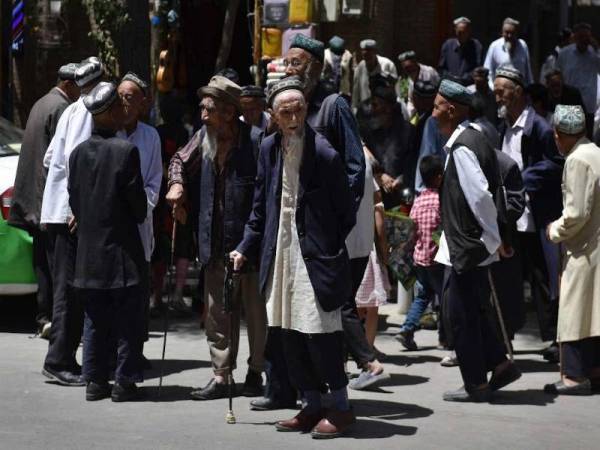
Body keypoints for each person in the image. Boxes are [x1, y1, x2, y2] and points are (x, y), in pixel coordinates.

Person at [231, 80, 357, 439]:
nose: (293, 116)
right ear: (273, 114)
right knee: (286, 333)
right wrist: (245, 246)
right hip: (280, 250)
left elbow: (345, 212)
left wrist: (326, 245)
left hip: (315, 257)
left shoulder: (325, 153)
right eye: (285, 111)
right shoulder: (269, 148)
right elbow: (259, 208)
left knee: (321, 333)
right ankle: (311, 404)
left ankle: (341, 407)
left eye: (299, 109)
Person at [248, 34, 366, 412]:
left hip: (317, 243)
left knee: (319, 324)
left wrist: (328, 231)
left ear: (315, 68)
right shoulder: (273, 136)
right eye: (288, 62)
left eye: (297, 62)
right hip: (283, 242)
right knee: (283, 321)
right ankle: (294, 395)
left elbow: (352, 172)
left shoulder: (332, 108)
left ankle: (335, 403)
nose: (290, 67)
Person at [166, 76, 267, 400]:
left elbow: (267, 194)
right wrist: (177, 184)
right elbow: (179, 160)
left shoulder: (256, 142)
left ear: (227, 112)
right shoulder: (203, 138)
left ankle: (256, 372)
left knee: (256, 316)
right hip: (214, 242)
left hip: (250, 245)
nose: (202, 113)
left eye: (208, 108)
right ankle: (222, 376)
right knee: (218, 313)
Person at [432, 79, 521, 402]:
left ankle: (476, 383)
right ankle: (499, 365)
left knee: (460, 316)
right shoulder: (473, 139)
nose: (433, 113)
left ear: (452, 111)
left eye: (437, 107)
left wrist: (491, 239)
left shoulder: (463, 147)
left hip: (468, 248)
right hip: (470, 245)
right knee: (472, 310)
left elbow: (481, 198)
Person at [68, 81, 148, 402]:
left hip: (88, 254)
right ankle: (124, 382)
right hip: (122, 254)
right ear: (112, 111)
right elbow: (138, 208)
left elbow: (74, 201)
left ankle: (95, 381)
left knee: (95, 318)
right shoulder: (125, 151)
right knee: (128, 319)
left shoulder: (77, 154)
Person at [39, 57, 104, 387]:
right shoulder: (84, 114)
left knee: (66, 288)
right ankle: (59, 360)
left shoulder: (71, 111)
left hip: (59, 211)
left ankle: (63, 357)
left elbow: (51, 159)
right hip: (69, 215)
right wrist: (76, 206)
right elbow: (78, 161)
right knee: (67, 290)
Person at [494, 65, 564, 362]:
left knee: (543, 277)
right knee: (510, 278)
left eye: (502, 90)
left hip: (537, 215)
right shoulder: (502, 126)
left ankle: (554, 338)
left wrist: (522, 178)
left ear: (518, 92)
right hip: (513, 216)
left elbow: (556, 163)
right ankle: (505, 335)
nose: (497, 95)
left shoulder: (540, 127)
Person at [8, 63, 80, 336]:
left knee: (42, 262)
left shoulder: (41, 103)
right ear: (68, 84)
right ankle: (52, 317)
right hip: (46, 199)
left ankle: (43, 316)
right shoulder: (61, 109)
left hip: (32, 199)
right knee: (55, 264)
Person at [544, 105, 600, 395]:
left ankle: (574, 378)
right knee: (594, 311)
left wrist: (554, 230)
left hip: (584, 248)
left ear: (560, 134)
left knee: (575, 311)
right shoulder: (596, 152)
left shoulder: (577, 160)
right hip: (595, 246)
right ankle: (594, 371)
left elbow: (576, 213)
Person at [116, 72, 163, 342]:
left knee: (137, 290)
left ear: (142, 104)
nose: (123, 102)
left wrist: (142, 206)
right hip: (111, 226)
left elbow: (155, 179)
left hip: (139, 221)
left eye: (129, 97)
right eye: (120, 96)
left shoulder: (150, 136)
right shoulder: (108, 132)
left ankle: (135, 349)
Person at [345, 147, 388, 391]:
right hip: (366, 249)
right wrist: (383, 252)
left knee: (348, 307)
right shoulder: (367, 172)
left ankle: (363, 362)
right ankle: (366, 353)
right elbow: (379, 221)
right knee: (368, 309)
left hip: (350, 249)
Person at [152, 93, 194, 315]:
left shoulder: (156, 133)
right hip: (178, 192)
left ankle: (157, 295)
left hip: (160, 194)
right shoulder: (186, 133)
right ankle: (177, 293)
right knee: (181, 244)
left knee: (160, 243)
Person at [397, 156, 444, 351]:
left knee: (423, 295)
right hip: (438, 259)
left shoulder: (419, 200)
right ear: (439, 177)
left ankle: (407, 328)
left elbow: (412, 231)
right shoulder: (442, 198)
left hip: (420, 259)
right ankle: (445, 337)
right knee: (445, 297)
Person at [362, 82, 414, 207]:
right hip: (377, 198)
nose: (372, 109)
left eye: (375, 105)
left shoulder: (408, 131)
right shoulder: (369, 133)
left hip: (403, 197)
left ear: (388, 108)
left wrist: (401, 179)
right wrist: (380, 176)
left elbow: (413, 162)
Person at [556, 22, 600, 137]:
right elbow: (557, 75)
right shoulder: (564, 53)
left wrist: (597, 49)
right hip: (568, 104)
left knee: (586, 140)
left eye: (587, 37)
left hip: (588, 105)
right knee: (567, 138)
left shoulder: (595, 54)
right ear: (574, 37)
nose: (584, 40)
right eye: (581, 37)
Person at [484, 18, 533, 87]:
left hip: (519, 91)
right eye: (507, 32)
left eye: (512, 33)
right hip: (501, 90)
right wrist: (493, 88)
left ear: (517, 33)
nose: (509, 36)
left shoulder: (523, 45)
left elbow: (528, 71)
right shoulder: (494, 46)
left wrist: (530, 88)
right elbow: (488, 71)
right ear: (502, 32)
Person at [352, 39, 398, 114]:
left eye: (369, 54)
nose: (367, 58)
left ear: (375, 52)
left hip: (384, 112)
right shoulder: (360, 68)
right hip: (366, 112)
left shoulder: (388, 65)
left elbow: (396, 90)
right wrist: (354, 110)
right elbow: (355, 93)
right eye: (365, 56)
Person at [438, 16, 483, 86]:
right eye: (460, 33)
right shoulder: (448, 45)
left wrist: (464, 78)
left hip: (469, 86)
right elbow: (442, 68)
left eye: (465, 32)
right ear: (455, 30)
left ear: (469, 31)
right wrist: (451, 78)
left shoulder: (476, 46)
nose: (462, 35)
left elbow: (478, 68)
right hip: (450, 85)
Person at [398, 50, 440, 118]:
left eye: (409, 66)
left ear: (414, 62)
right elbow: (411, 100)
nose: (408, 70)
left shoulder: (430, 72)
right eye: (405, 68)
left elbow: (439, 91)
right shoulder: (408, 77)